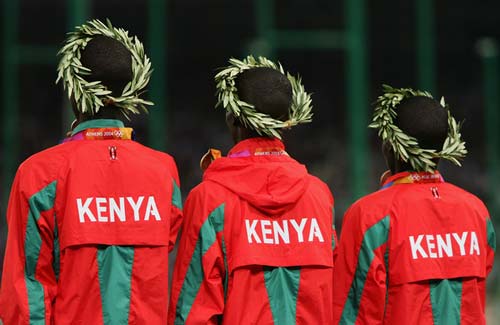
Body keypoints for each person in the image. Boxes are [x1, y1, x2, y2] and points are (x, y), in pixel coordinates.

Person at [0, 19, 183, 324]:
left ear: (74, 92)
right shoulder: (164, 172)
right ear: (132, 91)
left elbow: (26, 294)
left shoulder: (38, 174)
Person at [168, 56, 337, 325]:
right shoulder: (319, 196)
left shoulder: (209, 199)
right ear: (287, 122)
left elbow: (192, 311)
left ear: (232, 119)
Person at [332, 85, 496, 324]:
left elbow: (354, 312)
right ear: (443, 151)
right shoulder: (476, 211)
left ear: (390, 148)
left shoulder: (370, 215)